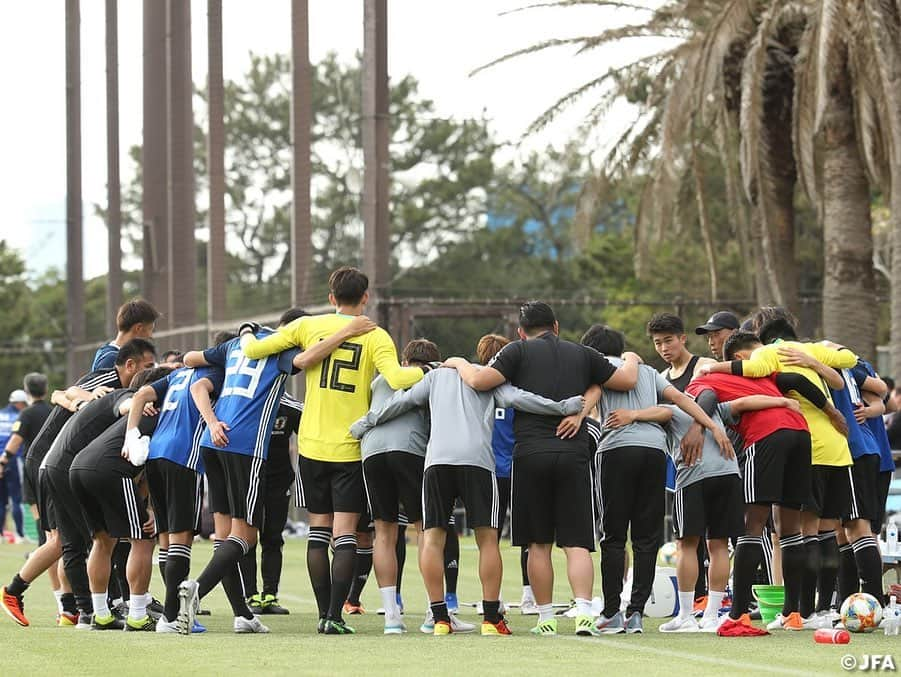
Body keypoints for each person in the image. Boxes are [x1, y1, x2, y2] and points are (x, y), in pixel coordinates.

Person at [240, 267, 428, 635]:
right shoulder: (376, 335)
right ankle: (334, 616)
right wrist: (429, 370)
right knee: (346, 534)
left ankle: (324, 613)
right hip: (351, 448)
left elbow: (253, 350)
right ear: (366, 297)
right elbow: (397, 379)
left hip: (310, 445)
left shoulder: (308, 327)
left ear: (330, 298)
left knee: (318, 532)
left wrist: (247, 332)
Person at [354, 346, 586, 636]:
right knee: (487, 541)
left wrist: (365, 423)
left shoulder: (434, 377)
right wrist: (562, 407)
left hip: (437, 462)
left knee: (432, 540)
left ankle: (439, 619)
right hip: (477, 462)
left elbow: (399, 402)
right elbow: (520, 399)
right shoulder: (486, 377)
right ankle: (491, 619)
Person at [445, 301, 640, 637]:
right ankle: (583, 615)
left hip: (530, 454)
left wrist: (458, 362)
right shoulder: (582, 353)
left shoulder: (516, 352)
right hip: (573, 452)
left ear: (521, 332)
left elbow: (478, 382)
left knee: (538, 543)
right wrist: (630, 361)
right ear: (557, 325)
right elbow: (623, 381)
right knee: (577, 542)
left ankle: (545, 618)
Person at [176, 314, 375, 635]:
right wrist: (347, 331)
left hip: (212, 440)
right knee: (244, 536)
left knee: (224, 535)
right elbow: (309, 358)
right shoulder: (282, 351)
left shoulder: (236, 345)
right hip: (244, 444)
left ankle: (241, 613)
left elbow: (189, 359)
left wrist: (216, 410)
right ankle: (197, 589)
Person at [579, 324, 732, 635]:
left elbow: (588, 399)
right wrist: (710, 425)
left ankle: (611, 612)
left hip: (617, 450)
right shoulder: (649, 371)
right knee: (647, 536)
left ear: (592, 351)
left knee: (613, 535)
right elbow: (681, 399)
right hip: (653, 452)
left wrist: (576, 415)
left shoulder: (599, 368)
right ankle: (635, 613)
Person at [0, 339, 156, 628]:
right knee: (72, 541)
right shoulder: (113, 385)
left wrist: (79, 401)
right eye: (149, 367)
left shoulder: (113, 388)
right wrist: (133, 405)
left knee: (74, 540)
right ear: (130, 364)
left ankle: (76, 610)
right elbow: (64, 392)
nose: (150, 373)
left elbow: (62, 393)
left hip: (56, 462)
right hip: (57, 464)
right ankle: (73, 608)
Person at [659, 392, 798, 632]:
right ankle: (712, 615)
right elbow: (745, 402)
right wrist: (783, 401)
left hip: (693, 477)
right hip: (729, 475)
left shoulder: (671, 411)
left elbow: (656, 413)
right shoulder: (716, 410)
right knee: (719, 544)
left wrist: (631, 415)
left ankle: (686, 616)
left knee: (687, 544)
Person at [123, 332, 232, 632]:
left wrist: (131, 434)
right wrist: (211, 422)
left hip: (155, 455)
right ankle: (172, 618)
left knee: (166, 538)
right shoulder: (215, 373)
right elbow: (200, 390)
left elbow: (142, 394)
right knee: (181, 539)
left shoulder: (178, 374)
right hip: (183, 457)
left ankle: (169, 614)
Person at [69, 366, 171, 631]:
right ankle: (138, 616)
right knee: (143, 539)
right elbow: (152, 467)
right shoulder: (158, 415)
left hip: (78, 468)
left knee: (102, 541)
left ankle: (100, 615)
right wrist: (151, 510)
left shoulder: (132, 416)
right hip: (109, 471)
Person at [350, 338, 437, 633]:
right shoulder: (432, 376)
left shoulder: (379, 380)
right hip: (410, 449)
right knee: (426, 529)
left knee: (384, 533)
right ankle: (432, 612)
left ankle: (391, 618)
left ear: (403, 361)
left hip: (372, 452)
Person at [647, 313, 716, 610]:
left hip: (713, 462)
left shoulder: (703, 367)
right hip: (680, 466)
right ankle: (697, 598)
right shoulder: (660, 380)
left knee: (717, 537)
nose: (664, 348)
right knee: (689, 535)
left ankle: (717, 599)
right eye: (658, 343)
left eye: (669, 341)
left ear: (683, 338)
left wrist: (697, 428)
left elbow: (713, 399)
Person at [475, 333, 537, 615]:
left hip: (490, 471)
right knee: (528, 535)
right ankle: (529, 597)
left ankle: (494, 598)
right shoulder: (518, 390)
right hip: (519, 468)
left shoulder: (477, 389)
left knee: (491, 536)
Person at [0, 374, 51, 543]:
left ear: (27, 390)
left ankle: (43, 549)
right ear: (45, 391)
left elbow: (16, 439)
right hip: (53, 466)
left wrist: (3, 460)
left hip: (33, 467)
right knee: (52, 514)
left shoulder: (26, 414)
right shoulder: (53, 411)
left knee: (38, 514)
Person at [91, 299, 160, 370]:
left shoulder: (118, 355)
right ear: (139, 328)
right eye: (150, 329)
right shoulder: (109, 360)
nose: (151, 335)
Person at [0, 390, 29, 540]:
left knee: (1, 500)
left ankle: (1, 535)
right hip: (12, 459)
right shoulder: (20, 416)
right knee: (16, 499)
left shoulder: (0, 414)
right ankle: (19, 534)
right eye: (24, 404)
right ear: (19, 403)